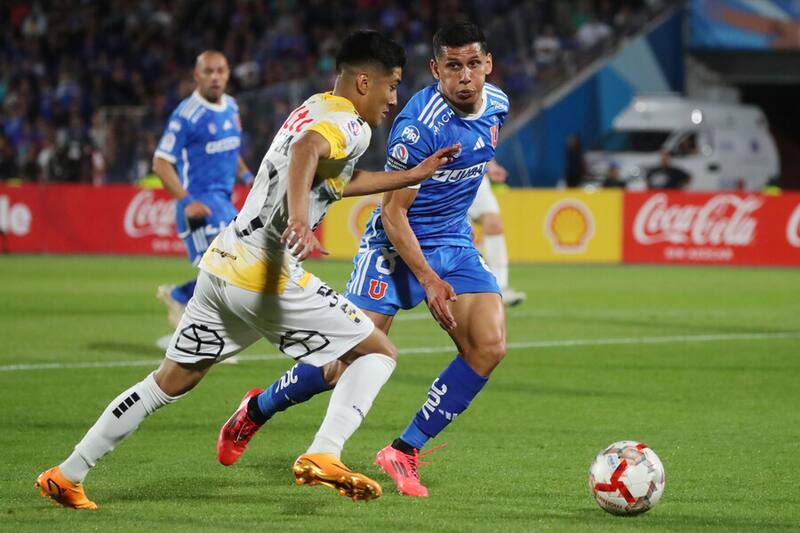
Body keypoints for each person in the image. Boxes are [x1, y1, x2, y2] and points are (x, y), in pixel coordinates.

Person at [35, 30, 458, 509]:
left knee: (169, 380)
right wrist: (300, 217)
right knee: (377, 351)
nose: (394, 98)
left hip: (221, 263)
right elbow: (307, 154)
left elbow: (337, 175)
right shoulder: (351, 126)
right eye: (392, 85)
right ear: (365, 82)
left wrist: (412, 175)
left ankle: (67, 473)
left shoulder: (315, 106)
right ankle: (324, 452)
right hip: (264, 269)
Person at [219, 22, 509, 499]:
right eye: (453, 66)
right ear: (436, 69)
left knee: (488, 346)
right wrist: (430, 279)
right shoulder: (418, 126)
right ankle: (257, 409)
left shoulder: (497, 105)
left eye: (474, 64)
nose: (465, 76)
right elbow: (394, 213)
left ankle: (405, 449)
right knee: (344, 363)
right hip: (395, 249)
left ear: (488, 65)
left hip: (453, 241)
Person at [153, 50, 254, 329]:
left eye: (220, 71)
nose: (215, 77)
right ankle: (205, 335)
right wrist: (187, 202)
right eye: (208, 72)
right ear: (197, 76)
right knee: (226, 269)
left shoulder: (232, 107)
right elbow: (160, 164)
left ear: (228, 73)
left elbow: (232, 149)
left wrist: (247, 176)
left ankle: (180, 296)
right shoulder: (186, 115)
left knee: (233, 267)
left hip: (223, 203)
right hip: (199, 207)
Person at [467, 159, 526, 306]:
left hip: (474, 174)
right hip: (443, 177)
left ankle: (500, 288)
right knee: (460, 233)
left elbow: (481, 139)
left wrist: (491, 166)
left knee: (494, 224)